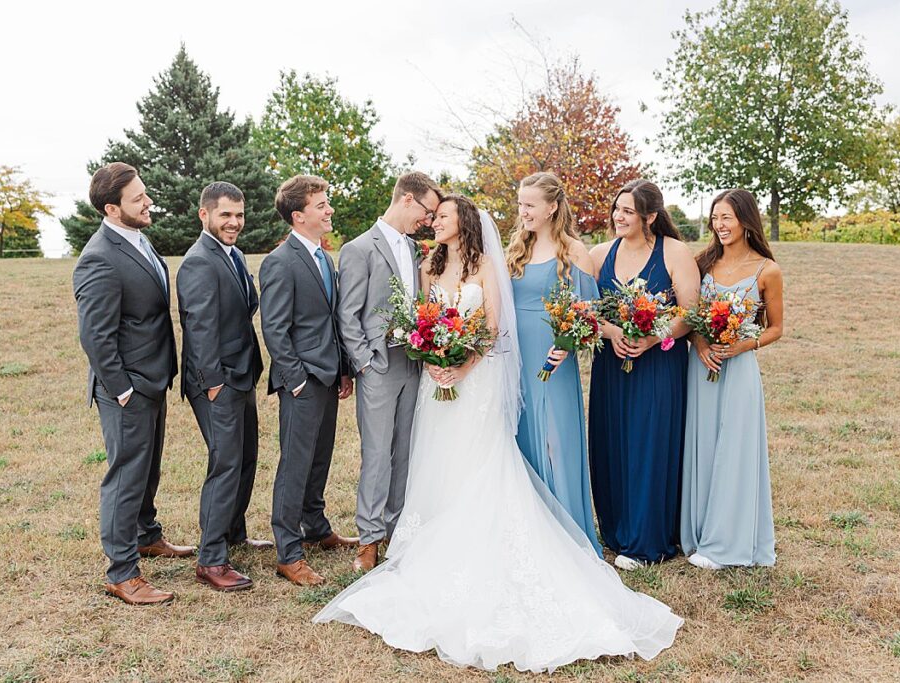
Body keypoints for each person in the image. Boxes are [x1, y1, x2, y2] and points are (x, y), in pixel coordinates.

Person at [314, 195, 683, 673]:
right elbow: (423, 318)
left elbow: (490, 327)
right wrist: (434, 360)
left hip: (478, 378)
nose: (433, 221)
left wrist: (462, 366)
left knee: (483, 458)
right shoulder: (431, 263)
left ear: (462, 221)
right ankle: (429, 544)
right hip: (437, 381)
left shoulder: (490, 263)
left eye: (441, 216)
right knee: (435, 458)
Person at [73, 162, 194, 606]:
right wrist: (122, 387)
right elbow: (95, 335)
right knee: (126, 476)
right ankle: (122, 572)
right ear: (111, 207)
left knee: (148, 469)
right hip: (127, 388)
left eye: (145, 193)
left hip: (153, 378)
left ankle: (146, 535)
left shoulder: (139, 240)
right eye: (138, 198)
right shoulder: (99, 258)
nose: (148, 202)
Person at [588, 180, 700, 571]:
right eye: (616, 209)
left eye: (628, 211)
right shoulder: (600, 254)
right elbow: (584, 309)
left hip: (659, 364)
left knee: (649, 444)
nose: (619, 216)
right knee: (613, 441)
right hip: (611, 366)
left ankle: (646, 539)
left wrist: (652, 338)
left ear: (650, 216)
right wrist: (612, 331)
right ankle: (616, 531)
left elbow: (689, 313)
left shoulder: (675, 252)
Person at [336, 172, 442, 571]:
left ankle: (398, 531)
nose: (428, 220)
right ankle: (369, 538)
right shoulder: (359, 248)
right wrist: (364, 361)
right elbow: (348, 313)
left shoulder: (418, 251)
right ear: (408, 200)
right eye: (427, 212)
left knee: (406, 452)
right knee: (377, 454)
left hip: (414, 364)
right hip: (378, 367)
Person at [258, 175, 357, 587]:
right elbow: (274, 328)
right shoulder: (280, 262)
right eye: (321, 205)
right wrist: (295, 380)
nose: (329, 209)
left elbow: (331, 319)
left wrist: (344, 368)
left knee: (320, 457)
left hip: (328, 374)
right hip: (301, 381)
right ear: (299, 216)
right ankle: (288, 550)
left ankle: (315, 526)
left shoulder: (323, 258)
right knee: (295, 464)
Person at [681, 189, 783, 570]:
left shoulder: (766, 271)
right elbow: (687, 314)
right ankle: (698, 533)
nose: (719, 225)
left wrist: (744, 346)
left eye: (726, 218)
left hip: (738, 371)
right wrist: (700, 341)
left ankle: (728, 543)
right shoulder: (702, 263)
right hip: (702, 364)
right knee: (703, 444)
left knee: (734, 449)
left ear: (745, 220)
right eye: (715, 217)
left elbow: (776, 329)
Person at [176, 181, 270, 592]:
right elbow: (199, 327)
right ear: (205, 215)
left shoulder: (231, 255)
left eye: (239, 215)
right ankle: (211, 560)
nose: (234, 222)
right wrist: (212, 382)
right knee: (226, 462)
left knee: (246, 455)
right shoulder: (199, 261)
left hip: (241, 373)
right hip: (215, 381)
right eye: (226, 215)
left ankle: (233, 530)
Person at [507, 172, 602, 553]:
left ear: (552, 207)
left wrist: (570, 343)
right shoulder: (515, 249)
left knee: (555, 443)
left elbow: (590, 312)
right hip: (514, 358)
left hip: (553, 361)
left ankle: (569, 539)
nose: (522, 211)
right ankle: (532, 536)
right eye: (520, 204)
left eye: (529, 205)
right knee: (521, 439)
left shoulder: (574, 251)